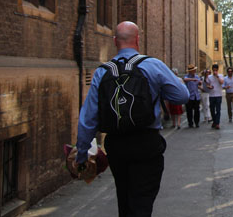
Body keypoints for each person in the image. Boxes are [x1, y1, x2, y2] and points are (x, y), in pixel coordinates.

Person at [76, 21, 189, 217]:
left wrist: (82, 153)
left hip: (117, 145)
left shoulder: (102, 72)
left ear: (114, 41)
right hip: (147, 143)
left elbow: (88, 118)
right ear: (138, 40)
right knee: (142, 202)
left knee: (125, 198)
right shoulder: (152, 65)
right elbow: (182, 96)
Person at [206, 63, 224, 129]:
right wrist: (209, 87)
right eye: (214, 70)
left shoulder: (221, 75)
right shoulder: (209, 77)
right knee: (212, 109)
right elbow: (207, 84)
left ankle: (217, 123)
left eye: (216, 70)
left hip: (219, 95)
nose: (215, 71)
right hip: (211, 95)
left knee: (218, 110)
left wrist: (217, 76)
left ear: (218, 70)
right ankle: (214, 121)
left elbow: (222, 82)